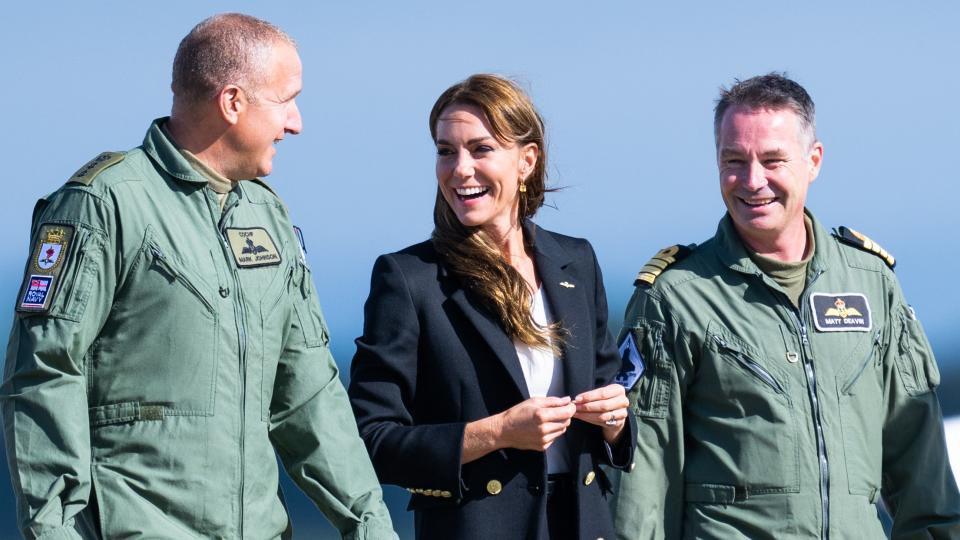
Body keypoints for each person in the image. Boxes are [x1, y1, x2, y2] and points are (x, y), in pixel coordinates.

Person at [1, 13, 396, 539]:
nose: (296, 122)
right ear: (233, 102)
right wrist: (54, 532)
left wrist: (371, 526)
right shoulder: (102, 204)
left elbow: (309, 392)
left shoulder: (267, 216)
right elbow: (46, 373)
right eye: (286, 99)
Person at [611, 73, 960, 539]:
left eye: (773, 160)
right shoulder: (676, 297)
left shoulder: (871, 284)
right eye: (734, 161)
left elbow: (921, 468)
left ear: (813, 161)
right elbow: (645, 476)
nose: (753, 182)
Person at [348, 74, 636, 539]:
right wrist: (497, 432)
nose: (459, 169)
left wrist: (615, 421)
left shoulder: (577, 261)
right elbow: (372, 439)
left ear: (527, 160)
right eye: (446, 151)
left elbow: (610, 408)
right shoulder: (407, 278)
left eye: (481, 149)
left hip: (582, 524)